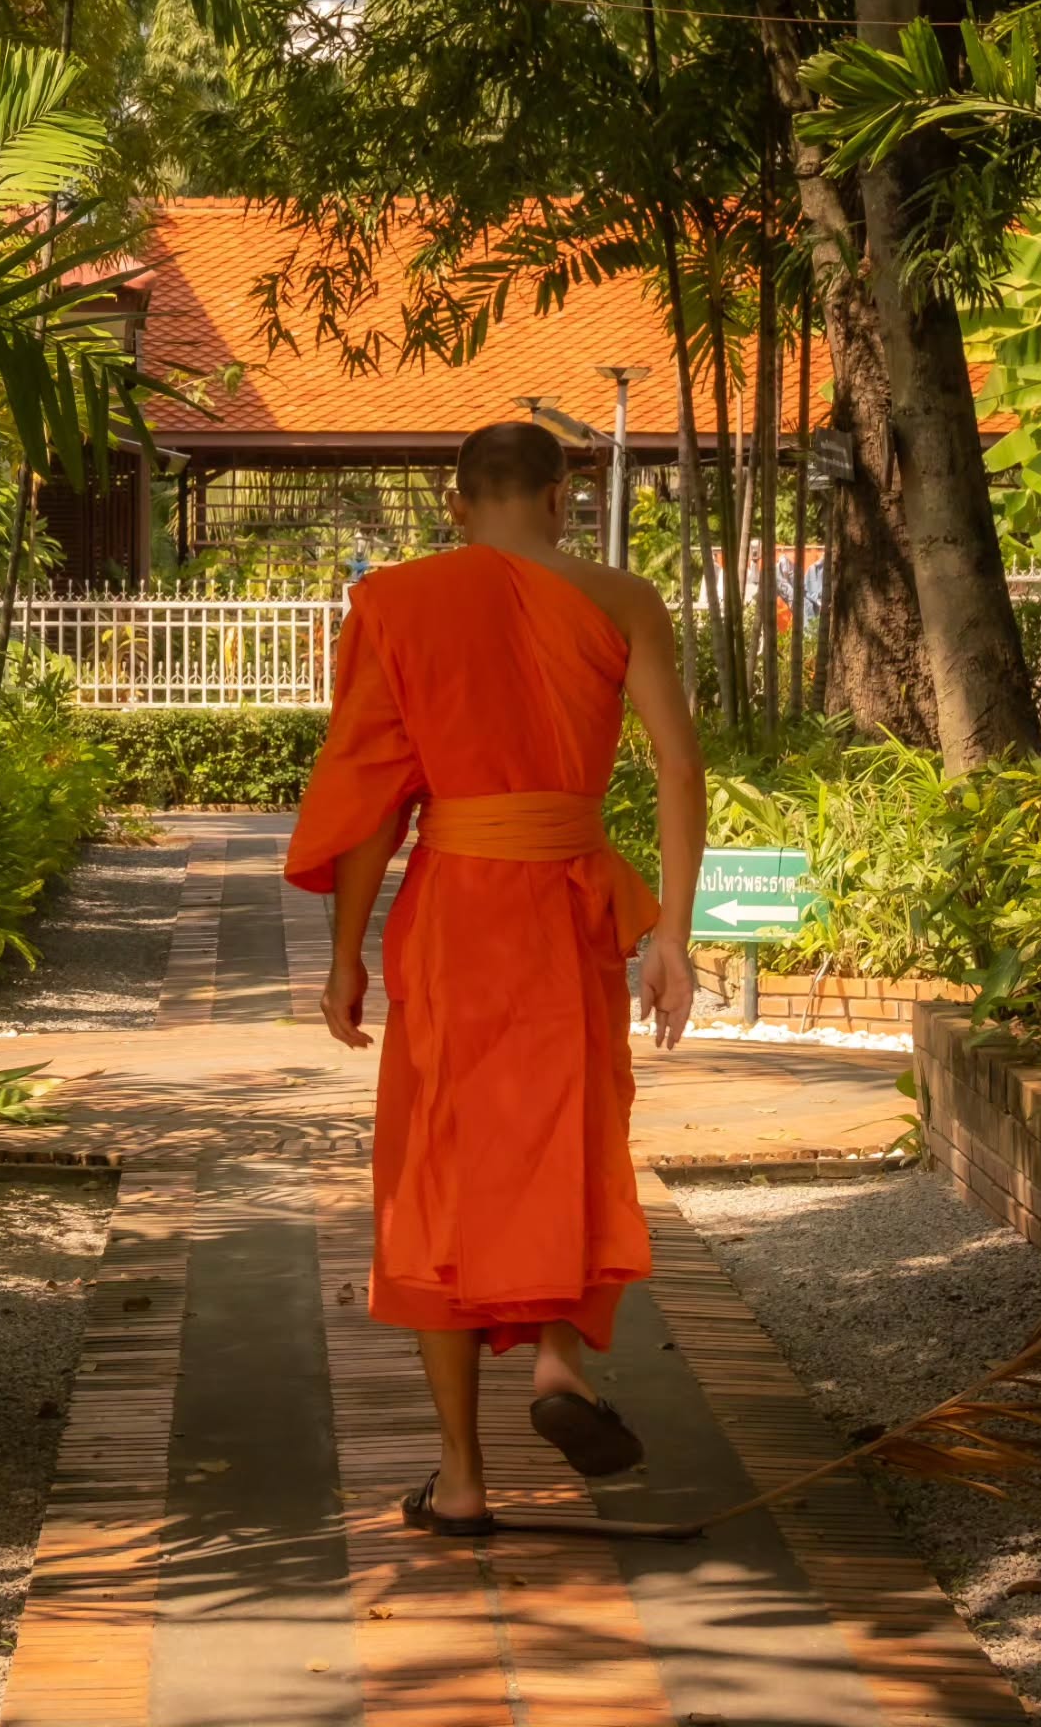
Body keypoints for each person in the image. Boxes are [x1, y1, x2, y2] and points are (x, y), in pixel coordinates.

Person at [284, 419, 706, 1536]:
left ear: (456, 500)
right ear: (564, 497)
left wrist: (343, 959)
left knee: (439, 1167)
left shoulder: (399, 603)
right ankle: (559, 1357)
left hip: (457, 911)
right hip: (569, 906)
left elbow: (377, 798)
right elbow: (678, 762)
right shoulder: (624, 600)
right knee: (561, 1137)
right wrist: (671, 934)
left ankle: (462, 1478)